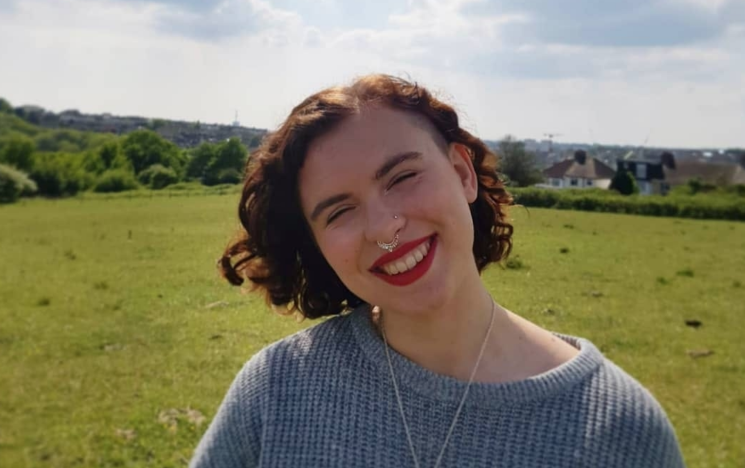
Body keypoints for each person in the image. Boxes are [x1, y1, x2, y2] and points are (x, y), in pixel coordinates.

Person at [189, 74, 685, 467]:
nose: (385, 229)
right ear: (318, 245)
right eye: (339, 212)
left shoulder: (622, 426)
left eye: (402, 176)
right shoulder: (276, 392)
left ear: (463, 173)